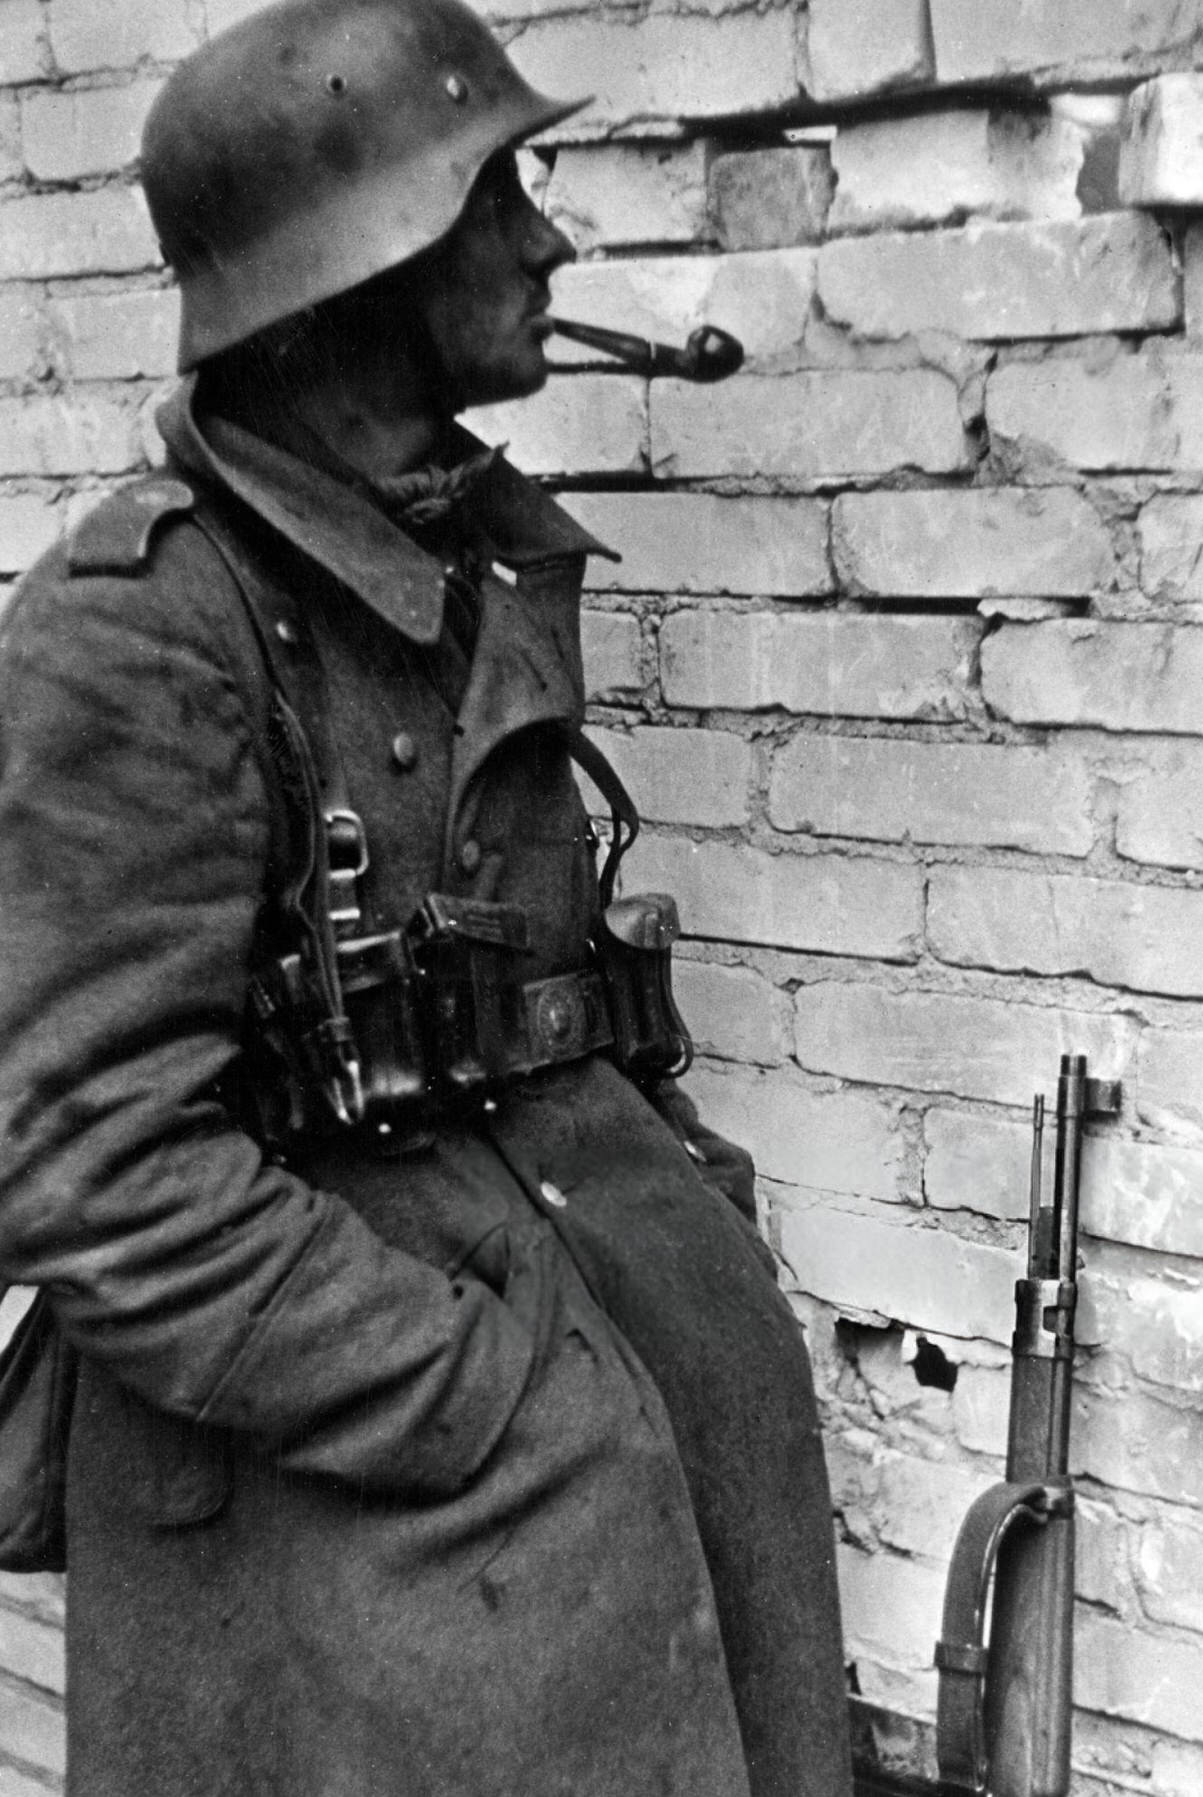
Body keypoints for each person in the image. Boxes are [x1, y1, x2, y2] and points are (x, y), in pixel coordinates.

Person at [0, 2, 853, 1793]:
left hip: (612, 1398)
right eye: (496, 195)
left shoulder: (472, 548)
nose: (547, 239)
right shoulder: (140, 628)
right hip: (366, 1528)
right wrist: (481, 1393)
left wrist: (684, 1216)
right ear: (359, 263)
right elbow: (87, 1165)